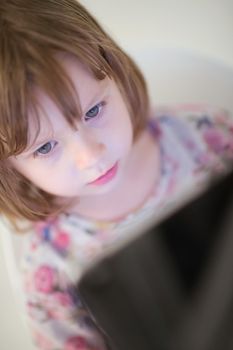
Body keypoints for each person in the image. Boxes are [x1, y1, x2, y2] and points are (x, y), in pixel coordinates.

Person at [0, 0, 233, 349]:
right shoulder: (51, 276)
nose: (89, 155)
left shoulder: (207, 137)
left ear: (117, 75)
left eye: (94, 110)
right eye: (46, 148)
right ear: (10, 168)